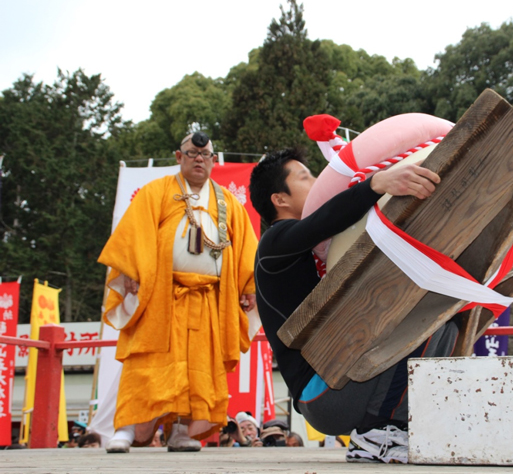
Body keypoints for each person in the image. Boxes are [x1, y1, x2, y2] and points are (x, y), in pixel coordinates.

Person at [249, 148, 459, 464]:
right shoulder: (275, 243)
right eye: (306, 176)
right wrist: (377, 184)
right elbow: (323, 221)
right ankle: (376, 432)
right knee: (425, 320)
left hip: (343, 383)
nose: (318, 180)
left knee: (445, 325)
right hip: (323, 393)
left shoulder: (317, 251)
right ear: (280, 200)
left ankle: (394, 428)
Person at [99, 131, 258, 453]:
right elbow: (133, 235)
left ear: (213, 160)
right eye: (192, 154)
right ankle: (126, 429)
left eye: (206, 155)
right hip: (161, 297)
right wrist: (130, 271)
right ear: (178, 157)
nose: (199, 159)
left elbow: (245, 251)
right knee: (145, 365)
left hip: (209, 301)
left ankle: (182, 432)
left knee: (199, 369)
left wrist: (249, 288)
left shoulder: (228, 202)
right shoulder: (155, 192)